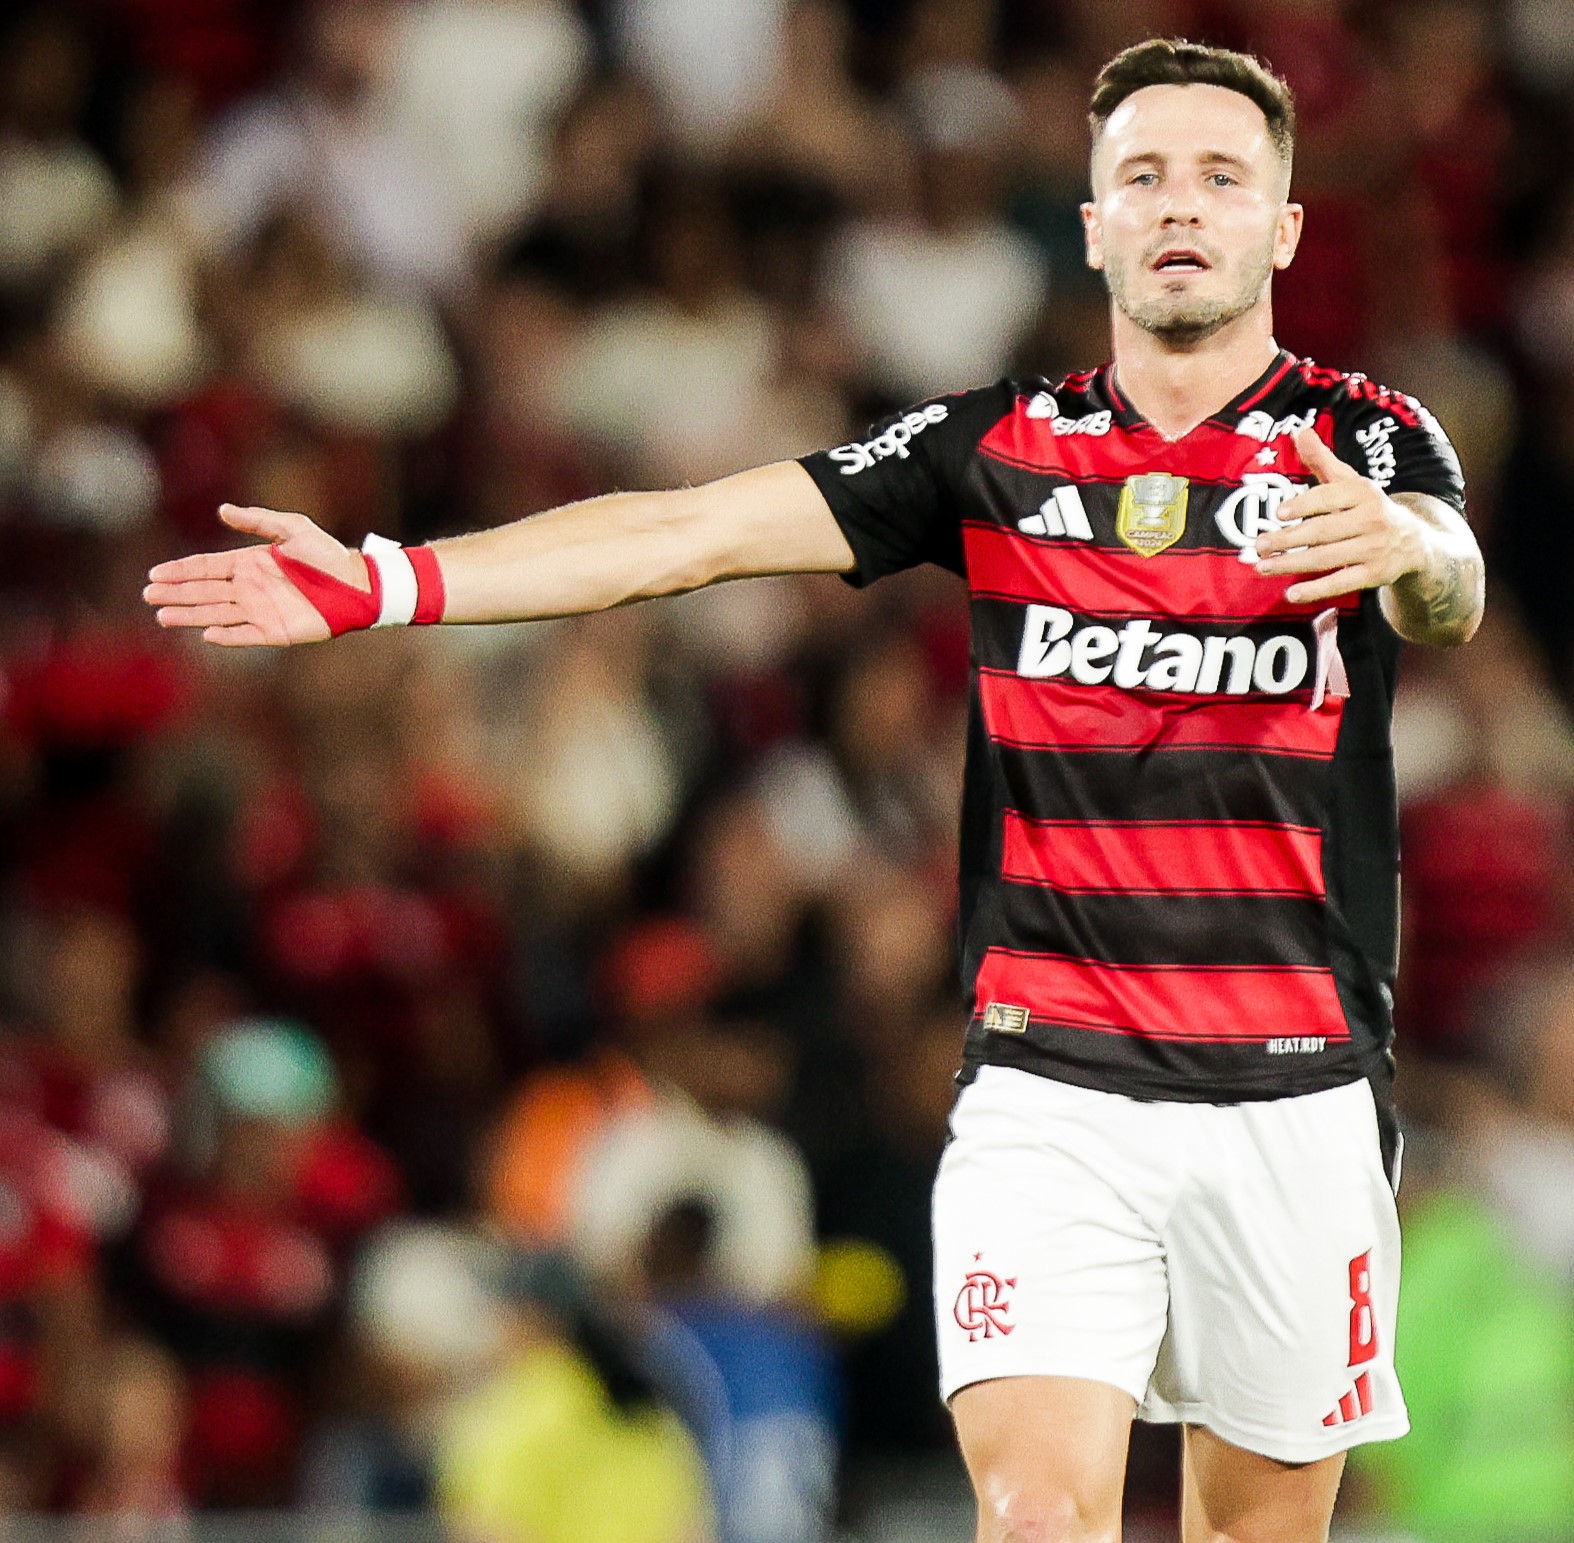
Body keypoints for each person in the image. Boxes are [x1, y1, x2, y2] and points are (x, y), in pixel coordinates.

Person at [142, 38, 1485, 1543]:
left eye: (1224, 178)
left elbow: (1449, 580)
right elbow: (692, 531)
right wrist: (393, 579)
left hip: (1294, 1090)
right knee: (1040, 1519)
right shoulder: (994, 449)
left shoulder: (1362, 442)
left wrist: (1412, 555)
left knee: (1257, 1536)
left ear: (1284, 227)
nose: (1183, 206)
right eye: (1145, 176)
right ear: (1096, 220)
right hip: (1055, 1090)